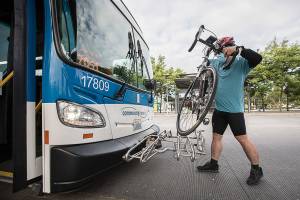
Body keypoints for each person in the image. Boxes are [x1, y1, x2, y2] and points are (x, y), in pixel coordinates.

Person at [197, 36, 263, 185]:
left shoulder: (242, 64)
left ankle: (257, 169)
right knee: (216, 138)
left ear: (231, 48)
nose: (221, 53)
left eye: (224, 49)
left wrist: (240, 49)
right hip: (219, 110)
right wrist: (206, 56)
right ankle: (214, 164)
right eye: (220, 50)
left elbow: (258, 58)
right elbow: (205, 65)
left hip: (234, 112)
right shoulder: (219, 63)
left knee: (243, 140)